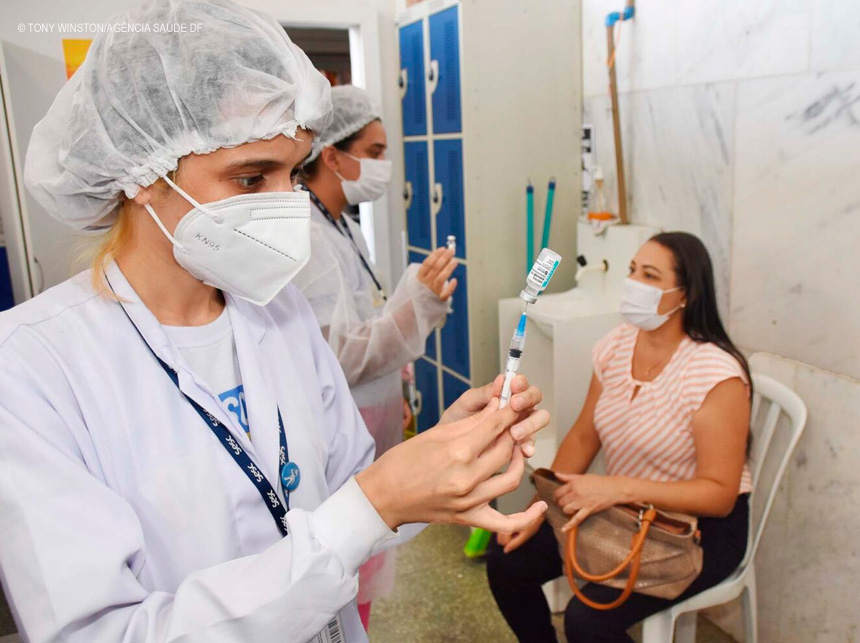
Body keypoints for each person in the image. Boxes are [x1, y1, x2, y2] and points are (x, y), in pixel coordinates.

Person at [0, 1, 550, 641]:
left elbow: (350, 500)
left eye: (292, 173)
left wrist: (434, 464)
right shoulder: (33, 366)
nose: (286, 206)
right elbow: (96, 633)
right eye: (251, 176)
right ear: (143, 174)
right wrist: (372, 504)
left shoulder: (277, 311)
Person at [487, 232, 752, 642]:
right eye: (632, 270)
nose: (634, 283)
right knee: (507, 558)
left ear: (686, 294)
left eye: (650, 275)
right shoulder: (616, 345)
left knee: (588, 620)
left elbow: (718, 495)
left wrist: (612, 488)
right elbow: (581, 438)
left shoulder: (715, 374)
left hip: (698, 529)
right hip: (622, 509)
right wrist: (536, 510)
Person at [291, 84, 457, 627]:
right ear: (332, 155)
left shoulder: (343, 228)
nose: (384, 166)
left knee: (364, 568)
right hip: (343, 428)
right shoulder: (308, 238)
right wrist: (418, 308)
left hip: (374, 415)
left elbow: (365, 321)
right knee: (345, 571)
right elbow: (336, 357)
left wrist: (402, 385)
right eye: (376, 152)